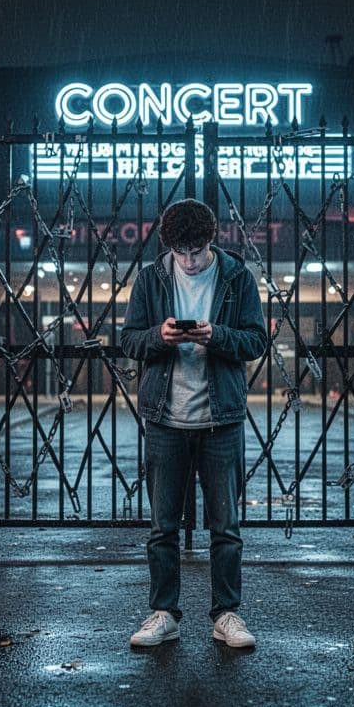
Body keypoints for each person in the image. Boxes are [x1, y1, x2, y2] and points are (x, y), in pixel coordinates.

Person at [119, 198, 268, 648]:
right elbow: (129, 341)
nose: (188, 262)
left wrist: (216, 336)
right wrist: (159, 337)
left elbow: (256, 341)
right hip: (165, 419)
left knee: (226, 527)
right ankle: (164, 613)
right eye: (180, 253)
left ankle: (227, 615)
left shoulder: (237, 277)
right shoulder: (151, 278)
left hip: (221, 419)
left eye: (196, 252)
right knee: (162, 526)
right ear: (169, 247)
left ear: (211, 241)